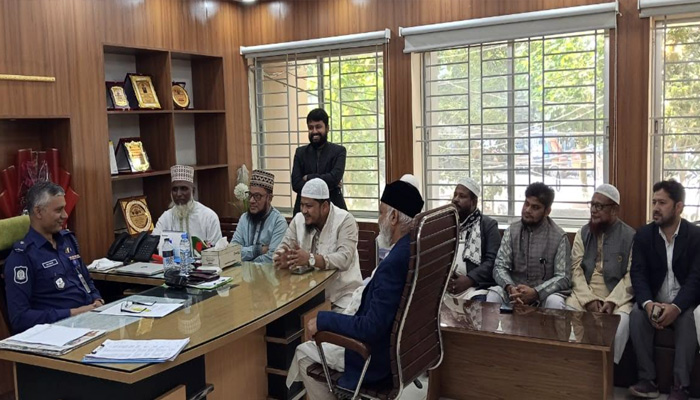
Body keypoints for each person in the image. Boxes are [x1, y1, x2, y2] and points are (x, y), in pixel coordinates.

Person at [290, 178, 424, 399]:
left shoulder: (393, 264)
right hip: (404, 352)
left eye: (381, 213)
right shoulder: (413, 248)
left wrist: (322, 320)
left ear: (393, 217)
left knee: (303, 353)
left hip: (372, 358)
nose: (379, 220)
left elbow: (370, 327)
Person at [628, 179, 700, 400]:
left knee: (688, 319)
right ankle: (647, 380)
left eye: (662, 203)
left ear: (678, 207)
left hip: (683, 303)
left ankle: (681, 386)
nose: (656, 208)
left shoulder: (695, 236)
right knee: (636, 314)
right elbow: (638, 274)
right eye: (654, 202)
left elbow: (696, 279)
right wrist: (648, 304)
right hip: (654, 300)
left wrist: (676, 307)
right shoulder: (643, 235)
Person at [4, 182, 104, 333]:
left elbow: (86, 280)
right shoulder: (22, 257)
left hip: (91, 320)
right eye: (58, 210)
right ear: (38, 212)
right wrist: (73, 313)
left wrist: (97, 299)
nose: (65, 215)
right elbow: (20, 318)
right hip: (57, 331)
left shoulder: (67, 241)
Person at [563, 184, 635, 364]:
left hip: (617, 297)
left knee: (621, 323)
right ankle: (576, 366)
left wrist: (612, 301)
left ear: (614, 210)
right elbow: (575, 269)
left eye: (599, 206)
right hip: (585, 293)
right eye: (592, 205)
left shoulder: (630, 236)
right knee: (568, 313)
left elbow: (631, 275)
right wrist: (588, 300)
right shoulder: (583, 233)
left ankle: (609, 369)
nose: (593, 210)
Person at [274, 178, 362, 311]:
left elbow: (344, 259)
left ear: (324, 207)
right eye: (302, 205)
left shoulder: (345, 220)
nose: (304, 210)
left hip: (342, 298)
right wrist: (283, 259)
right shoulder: (298, 220)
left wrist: (310, 259)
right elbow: (280, 250)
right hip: (306, 297)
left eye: (308, 206)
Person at [487, 182, 571, 308]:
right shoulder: (512, 231)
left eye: (535, 207)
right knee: (494, 294)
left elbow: (563, 277)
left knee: (555, 302)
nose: (527, 210)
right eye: (526, 204)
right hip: (514, 293)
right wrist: (510, 287)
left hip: (544, 296)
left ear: (547, 211)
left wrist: (536, 292)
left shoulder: (559, 237)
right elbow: (500, 266)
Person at [446, 177, 501, 301]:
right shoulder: (447, 224)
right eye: (455, 195)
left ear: (473, 202)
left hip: (474, 288)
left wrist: (470, 279)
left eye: (462, 196)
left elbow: (493, 261)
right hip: (447, 287)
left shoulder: (488, 225)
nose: (455, 199)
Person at [291, 108, 347, 215]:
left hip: (333, 209)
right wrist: (328, 181)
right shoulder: (300, 153)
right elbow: (296, 184)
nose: (314, 131)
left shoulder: (339, 151)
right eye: (311, 128)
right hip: (304, 211)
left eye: (318, 127)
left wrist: (308, 177)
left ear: (327, 128)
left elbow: (334, 178)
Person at [153, 165, 222, 244]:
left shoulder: (208, 217)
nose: (178, 194)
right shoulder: (166, 218)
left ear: (193, 191)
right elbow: (154, 243)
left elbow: (217, 248)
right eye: (175, 189)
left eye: (183, 188)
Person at [231, 169, 288, 263]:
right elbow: (232, 252)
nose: (251, 201)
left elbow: (272, 258)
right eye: (250, 195)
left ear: (269, 198)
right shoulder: (244, 218)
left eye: (257, 196)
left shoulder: (278, 222)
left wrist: (247, 260)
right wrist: (258, 250)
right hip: (242, 272)